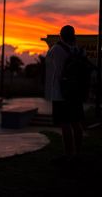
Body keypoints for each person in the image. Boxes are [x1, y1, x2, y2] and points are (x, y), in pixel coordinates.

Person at [46, 25, 86, 165]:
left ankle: (68, 154)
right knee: (76, 123)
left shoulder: (56, 49)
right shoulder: (79, 51)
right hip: (75, 94)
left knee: (65, 124)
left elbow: (52, 66)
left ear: (60, 35)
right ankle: (78, 154)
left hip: (61, 93)